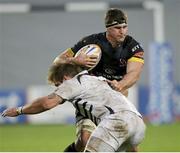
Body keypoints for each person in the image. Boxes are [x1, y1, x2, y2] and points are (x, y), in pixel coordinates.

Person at [53, 8, 144, 152]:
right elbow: (58, 61)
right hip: (91, 97)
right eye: (117, 28)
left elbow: (134, 73)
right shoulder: (91, 42)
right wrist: (75, 60)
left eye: (124, 27)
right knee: (84, 139)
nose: (122, 31)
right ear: (108, 28)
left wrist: (120, 85)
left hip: (116, 101)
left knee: (130, 145)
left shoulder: (132, 46)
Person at [1, 63, 146, 152]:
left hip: (117, 121)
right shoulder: (99, 79)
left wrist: (19, 110)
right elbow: (123, 92)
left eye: (58, 85)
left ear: (65, 78)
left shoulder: (73, 83)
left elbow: (47, 103)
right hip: (138, 123)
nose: (59, 89)